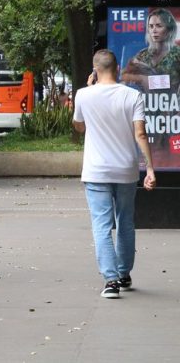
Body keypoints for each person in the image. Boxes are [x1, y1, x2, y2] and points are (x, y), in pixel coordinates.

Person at [73, 49, 156, 299]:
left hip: (96, 171)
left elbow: (79, 127)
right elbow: (140, 134)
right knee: (125, 222)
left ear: (94, 70)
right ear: (117, 68)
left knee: (101, 225)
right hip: (126, 169)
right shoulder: (132, 95)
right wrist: (150, 168)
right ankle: (124, 273)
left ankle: (111, 282)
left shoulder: (83, 95)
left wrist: (87, 90)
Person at [121, 8, 180, 93]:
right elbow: (124, 76)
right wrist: (140, 78)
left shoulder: (177, 54)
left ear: (169, 29)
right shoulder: (143, 54)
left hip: (172, 104)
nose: (154, 30)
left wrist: (145, 78)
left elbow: (172, 83)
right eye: (151, 26)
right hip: (145, 103)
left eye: (159, 26)